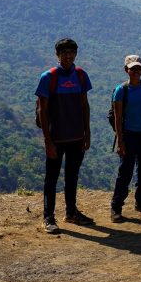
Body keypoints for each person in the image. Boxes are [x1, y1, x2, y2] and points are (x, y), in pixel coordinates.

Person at [35, 38, 94, 233]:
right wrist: (47, 140)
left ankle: (71, 212)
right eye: (64, 53)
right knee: (51, 178)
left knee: (72, 176)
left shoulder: (80, 75)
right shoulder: (49, 77)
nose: (68, 56)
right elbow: (42, 111)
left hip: (76, 136)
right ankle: (48, 217)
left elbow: (84, 105)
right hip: (56, 137)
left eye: (71, 52)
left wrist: (87, 132)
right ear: (57, 55)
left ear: (76, 54)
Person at [109, 55, 141, 223]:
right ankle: (116, 207)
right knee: (125, 171)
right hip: (129, 134)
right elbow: (117, 117)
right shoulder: (121, 90)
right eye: (133, 68)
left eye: (139, 68)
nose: (136, 71)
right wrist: (120, 141)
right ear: (126, 70)